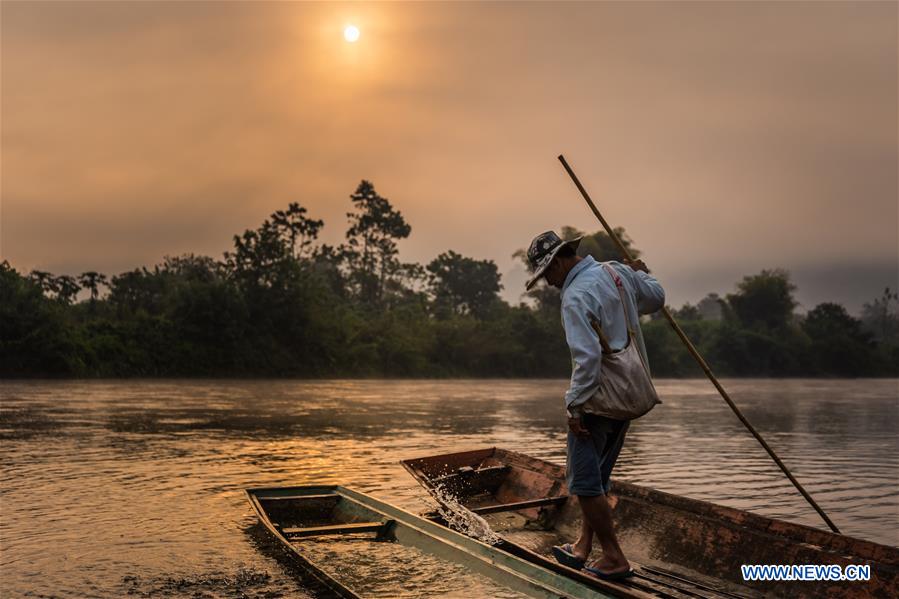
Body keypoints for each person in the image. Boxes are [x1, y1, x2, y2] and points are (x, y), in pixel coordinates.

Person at [525, 230, 665, 581]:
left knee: (585, 484)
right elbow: (656, 298)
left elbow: (586, 361)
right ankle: (582, 546)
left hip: (598, 402)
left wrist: (573, 407)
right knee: (598, 479)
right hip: (629, 395)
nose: (549, 283)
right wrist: (641, 273)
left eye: (547, 273)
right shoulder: (617, 272)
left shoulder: (576, 296)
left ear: (559, 262)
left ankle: (614, 557)